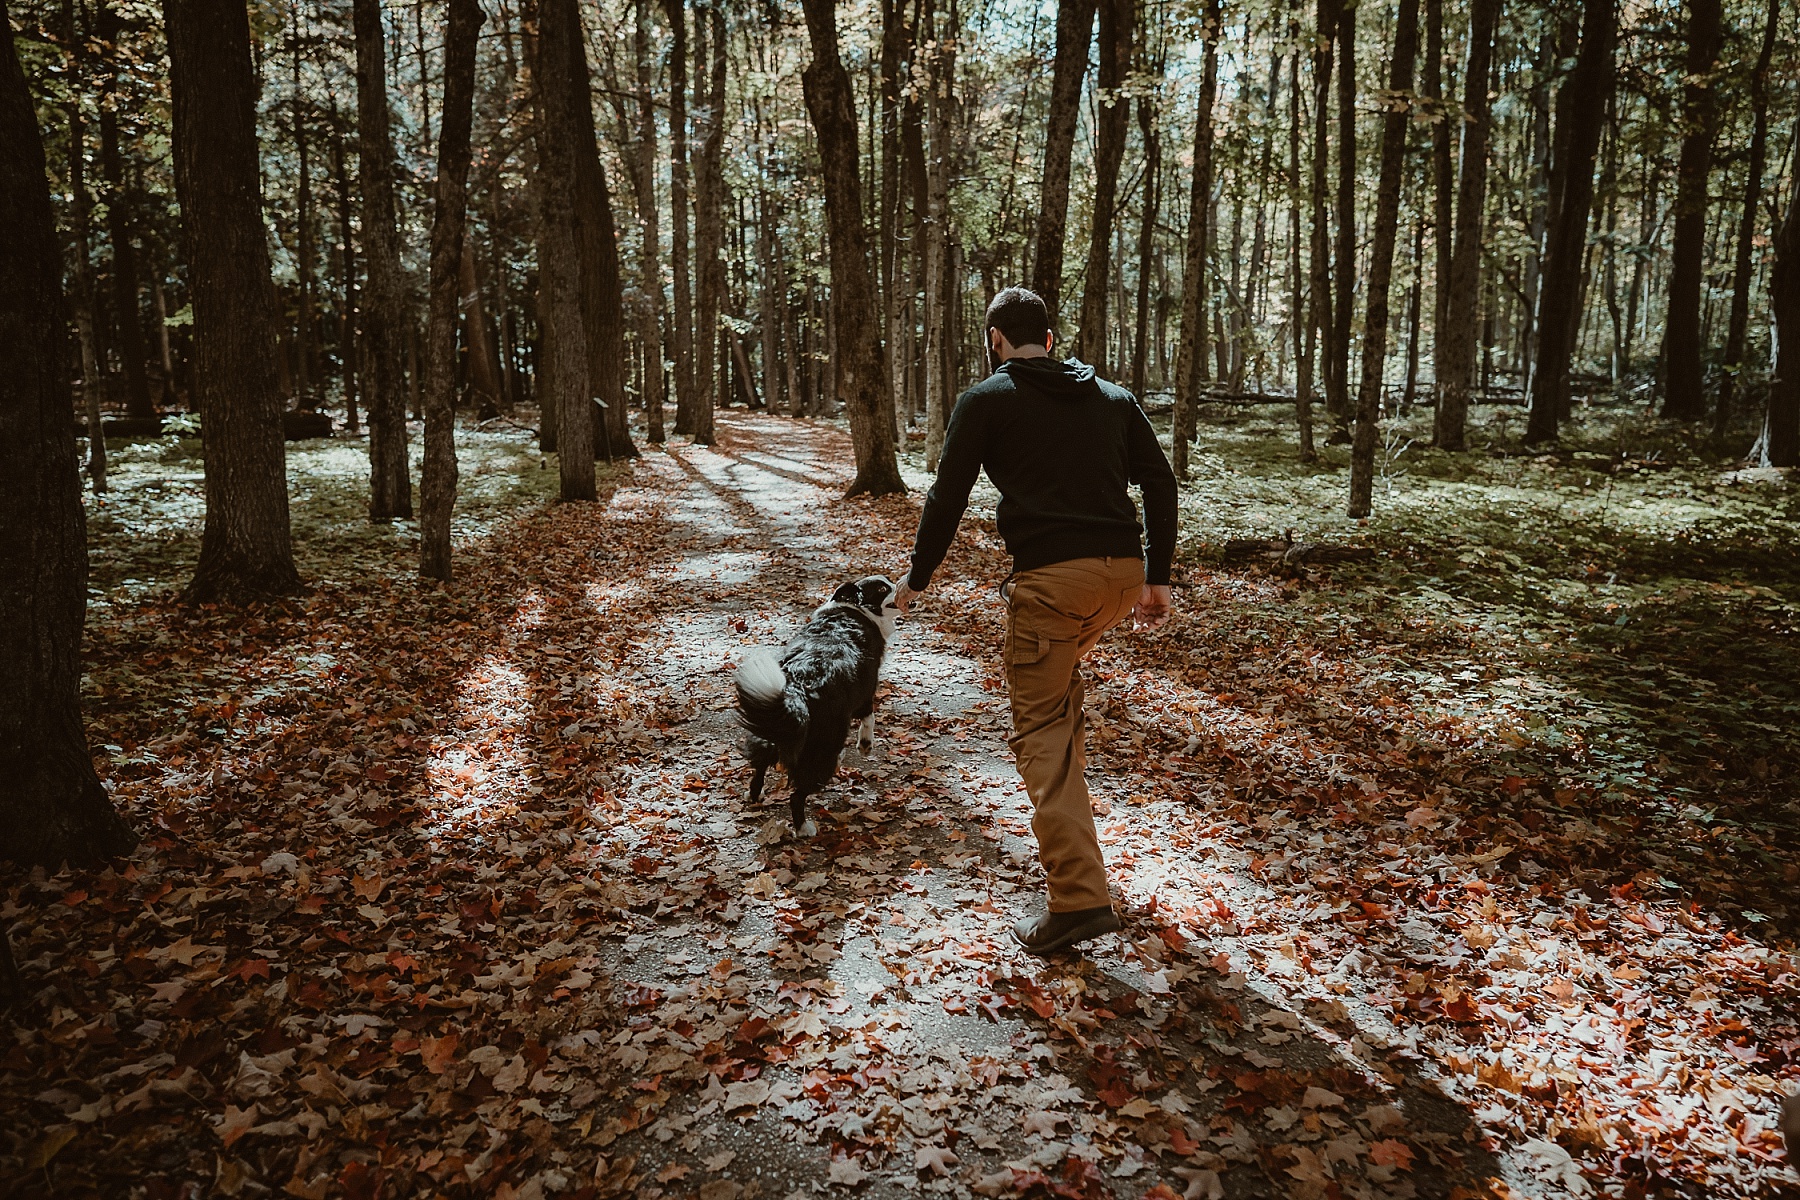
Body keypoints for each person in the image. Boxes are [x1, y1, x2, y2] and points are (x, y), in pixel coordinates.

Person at [895, 286, 1177, 955]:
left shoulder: (988, 399)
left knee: (1040, 733)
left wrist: (917, 577)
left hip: (1055, 584)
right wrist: (1157, 576)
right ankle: (1069, 762)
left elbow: (947, 494)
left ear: (995, 339)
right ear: (1049, 338)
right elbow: (1159, 481)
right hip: (1117, 578)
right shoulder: (1111, 397)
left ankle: (1079, 900)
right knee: (1057, 698)